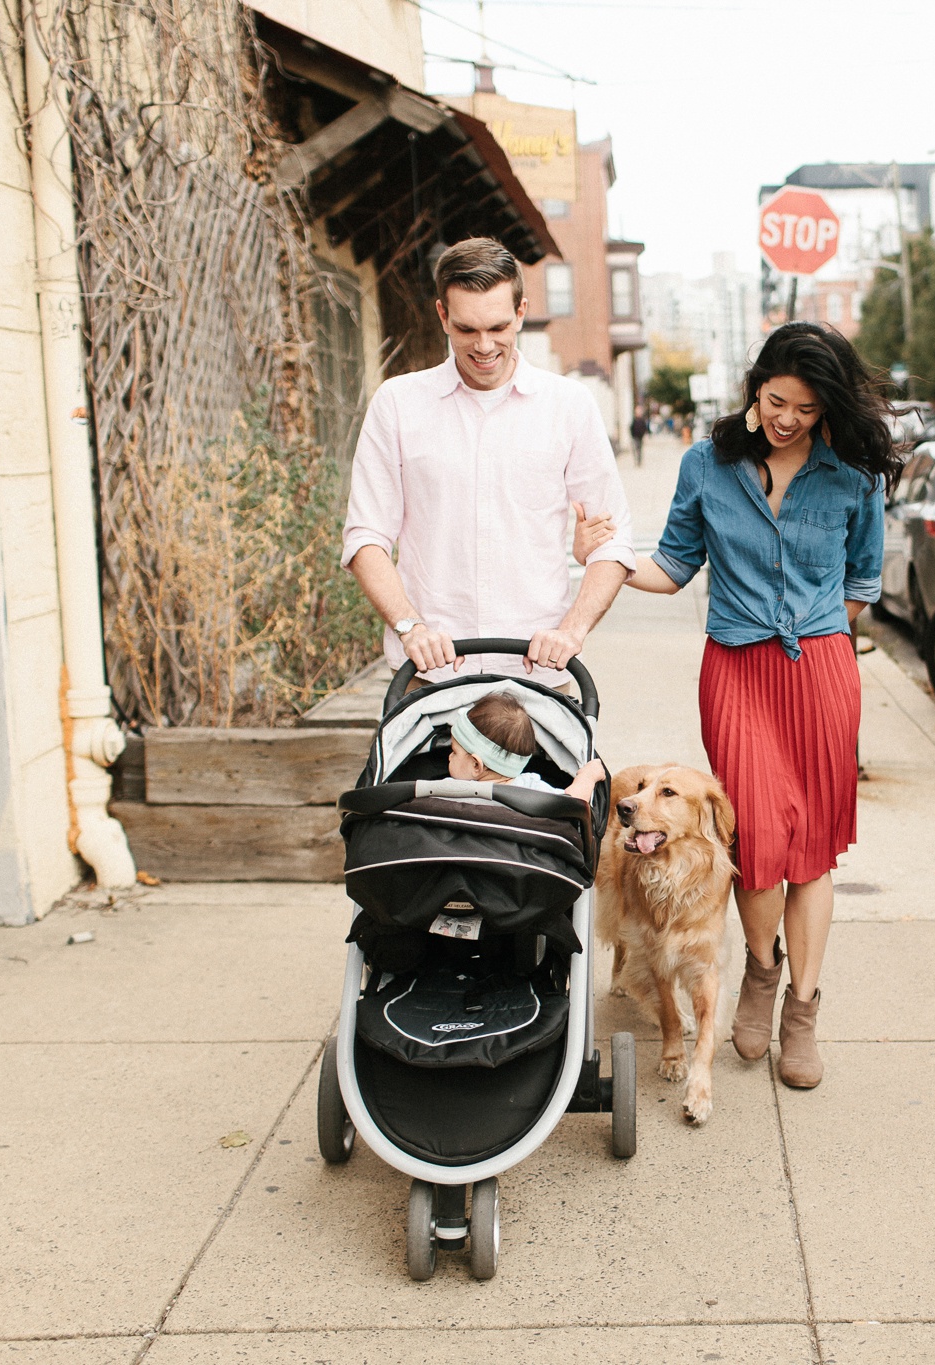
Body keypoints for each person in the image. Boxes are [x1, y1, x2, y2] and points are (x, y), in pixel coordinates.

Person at [582, 322, 898, 1089]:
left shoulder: (852, 475)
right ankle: (760, 973)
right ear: (756, 386)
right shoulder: (708, 463)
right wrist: (604, 556)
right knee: (756, 843)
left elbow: (863, 585)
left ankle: (802, 1007)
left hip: (820, 672)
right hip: (736, 674)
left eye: (808, 409)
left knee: (812, 848)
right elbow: (673, 565)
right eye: (778, 400)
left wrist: (817, 646)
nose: (789, 418)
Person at [342, 237, 633, 690]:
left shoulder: (569, 405)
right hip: (429, 677)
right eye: (466, 329)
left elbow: (614, 545)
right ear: (442, 315)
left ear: (521, 312)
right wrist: (409, 626)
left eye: (498, 327)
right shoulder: (397, 404)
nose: (484, 346)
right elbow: (365, 537)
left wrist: (572, 631)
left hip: (537, 676)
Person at [448, 692, 606, 802]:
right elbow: (574, 801)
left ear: (476, 765)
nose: (449, 757)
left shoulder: (449, 791)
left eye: (454, 752)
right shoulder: (532, 789)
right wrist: (588, 776)